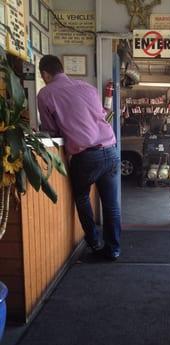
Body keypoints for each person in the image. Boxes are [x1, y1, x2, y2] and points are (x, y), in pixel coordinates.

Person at [37, 55, 121, 261]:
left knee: (82, 197)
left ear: (45, 74)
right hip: (110, 148)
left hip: (85, 156)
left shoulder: (46, 93)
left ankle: (95, 243)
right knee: (111, 205)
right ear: (62, 69)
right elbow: (99, 114)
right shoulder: (87, 87)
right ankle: (114, 249)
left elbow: (50, 130)